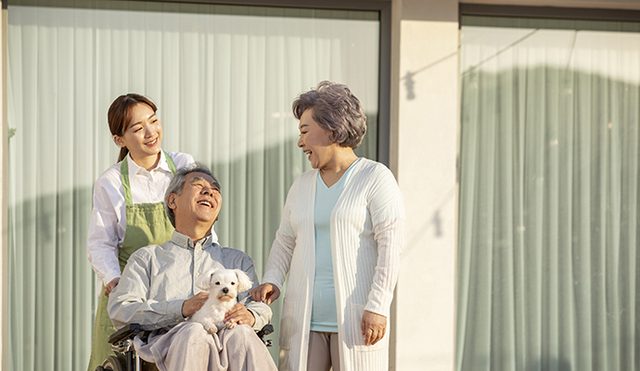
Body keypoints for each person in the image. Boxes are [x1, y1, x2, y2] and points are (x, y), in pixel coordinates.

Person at [250, 81, 405, 371]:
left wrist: (377, 307)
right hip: (304, 322)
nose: (300, 143)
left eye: (305, 132)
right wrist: (272, 278)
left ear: (331, 130)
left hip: (357, 321)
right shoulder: (302, 185)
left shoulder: (375, 177)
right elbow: (284, 240)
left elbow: (391, 248)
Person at [86, 94, 217, 370]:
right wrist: (116, 283)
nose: (151, 132)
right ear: (119, 139)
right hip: (135, 288)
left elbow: (203, 218)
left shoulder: (183, 164)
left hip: (181, 282)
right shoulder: (110, 182)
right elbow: (100, 243)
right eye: (137, 128)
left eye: (154, 121)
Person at [108, 163, 277, 371]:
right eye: (198, 186)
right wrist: (180, 308)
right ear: (172, 200)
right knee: (195, 333)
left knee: (242, 333)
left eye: (215, 189)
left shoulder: (237, 261)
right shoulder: (147, 259)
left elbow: (259, 305)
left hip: (230, 344)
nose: (209, 191)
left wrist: (251, 315)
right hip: (168, 349)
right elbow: (120, 310)